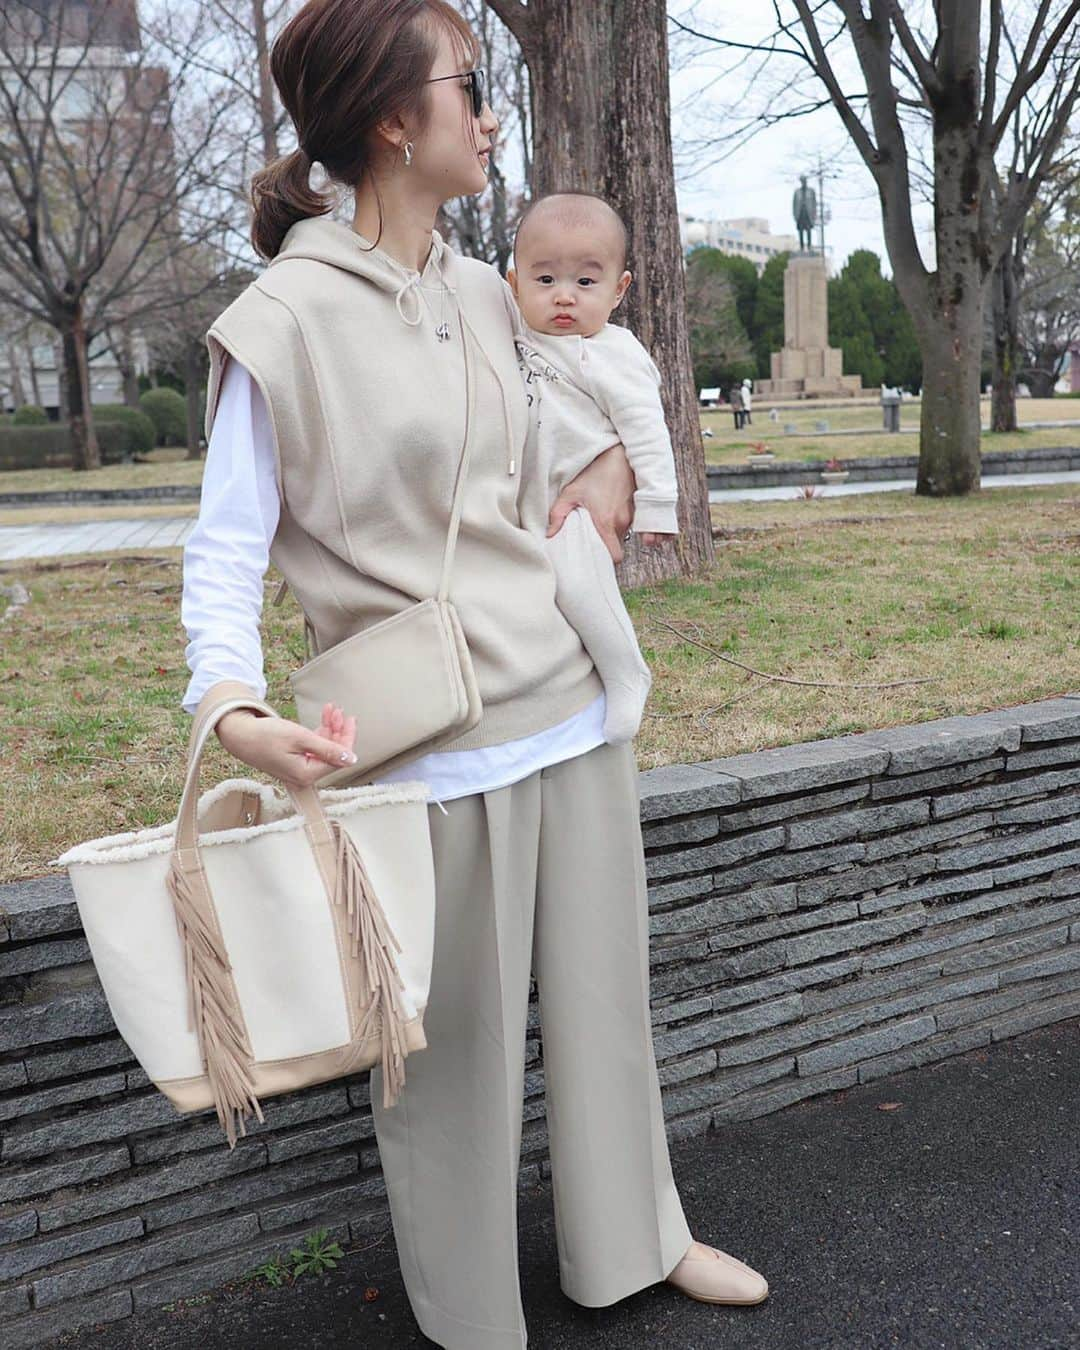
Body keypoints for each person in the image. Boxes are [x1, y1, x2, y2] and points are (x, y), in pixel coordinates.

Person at [179, 2, 769, 1346]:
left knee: (609, 1011)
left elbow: (533, 458)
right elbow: (221, 551)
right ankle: (470, 1314)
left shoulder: (478, 288)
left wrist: (610, 468)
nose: (491, 113)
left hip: (564, 701)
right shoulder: (280, 324)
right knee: (449, 1070)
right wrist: (234, 707)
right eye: (469, 86)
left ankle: (638, 1240)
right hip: (425, 748)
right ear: (395, 118)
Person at [506, 191, 678, 744]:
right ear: (514, 284)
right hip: (525, 499)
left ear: (619, 289)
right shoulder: (513, 339)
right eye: (544, 280)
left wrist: (656, 505)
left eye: (585, 282)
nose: (564, 298)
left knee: (579, 581)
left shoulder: (611, 352)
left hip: (580, 507)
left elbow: (647, 431)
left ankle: (626, 668)